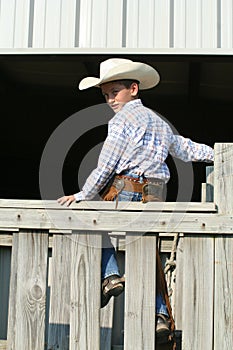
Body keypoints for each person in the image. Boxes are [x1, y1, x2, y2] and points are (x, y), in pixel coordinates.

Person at [57, 58, 214, 344]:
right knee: (148, 253)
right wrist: (219, 155)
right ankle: (160, 315)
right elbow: (186, 149)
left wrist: (82, 195)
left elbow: (106, 164)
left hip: (125, 187)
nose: (110, 100)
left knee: (89, 221)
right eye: (105, 95)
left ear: (133, 88)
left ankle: (110, 276)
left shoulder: (120, 122)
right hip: (155, 194)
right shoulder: (159, 122)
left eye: (115, 92)